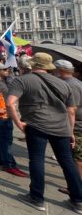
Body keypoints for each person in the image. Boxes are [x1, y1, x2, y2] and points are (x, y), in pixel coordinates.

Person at [6, 53, 82, 213]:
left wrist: (18, 123)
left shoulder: (22, 80)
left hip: (36, 124)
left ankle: (36, 198)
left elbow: (10, 103)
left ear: (32, 65)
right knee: (67, 161)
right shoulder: (63, 83)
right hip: (61, 127)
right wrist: (70, 131)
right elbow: (71, 110)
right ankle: (78, 200)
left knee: (36, 160)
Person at [0, 62, 27, 177]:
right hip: (1, 114)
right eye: (5, 69)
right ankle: (9, 164)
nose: (7, 70)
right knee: (6, 139)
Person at [53, 59, 82, 195]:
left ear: (61, 70)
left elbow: (72, 109)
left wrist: (69, 130)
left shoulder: (72, 85)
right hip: (74, 124)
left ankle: (78, 187)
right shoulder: (71, 83)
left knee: (77, 158)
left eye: (55, 68)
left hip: (76, 126)